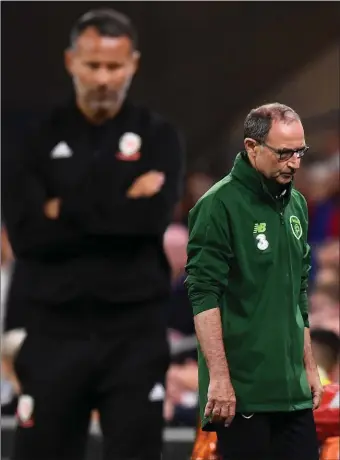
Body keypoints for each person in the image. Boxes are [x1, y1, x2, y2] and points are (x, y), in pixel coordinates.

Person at [2, 8, 184, 460]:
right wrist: (124, 196)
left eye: (114, 66)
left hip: (134, 332)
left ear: (133, 65)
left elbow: (148, 222)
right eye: (93, 65)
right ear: (71, 62)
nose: (104, 78)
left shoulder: (159, 136)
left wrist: (61, 206)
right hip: (52, 329)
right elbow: (27, 236)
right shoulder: (34, 138)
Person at [185, 103, 322, 460]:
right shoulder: (218, 204)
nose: (294, 162)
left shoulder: (297, 205)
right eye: (284, 153)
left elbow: (300, 292)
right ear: (251, 147)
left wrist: (308, 367)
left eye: (300, 152)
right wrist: (219, 378)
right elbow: (203, 294)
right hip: (242, 391)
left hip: (293, 390)